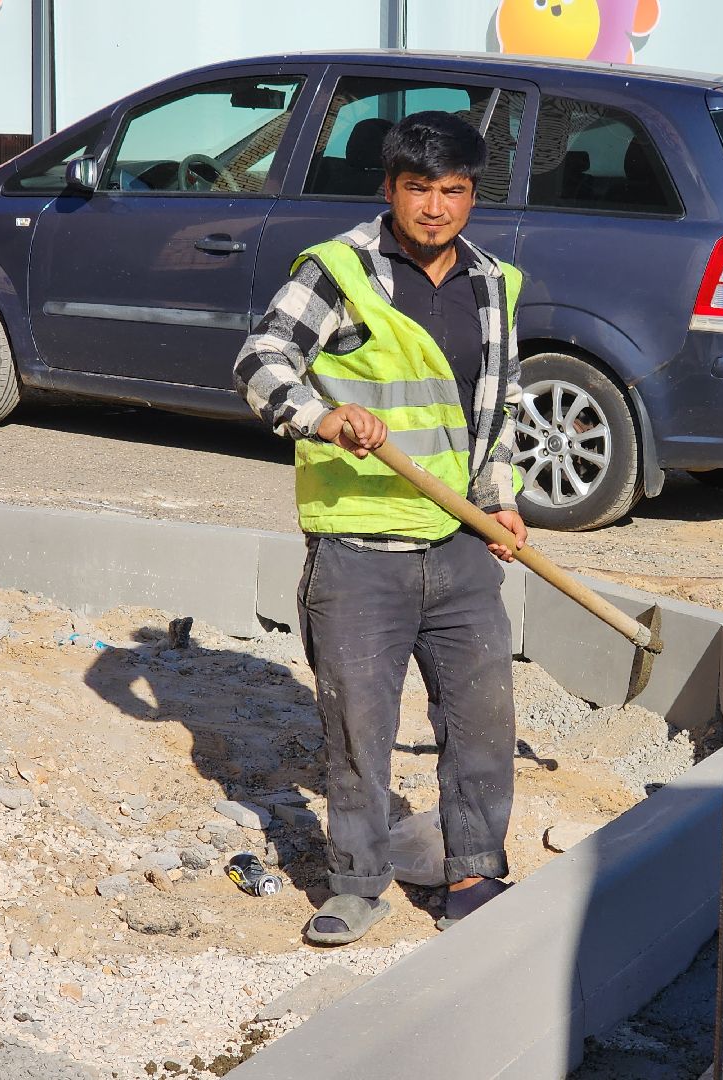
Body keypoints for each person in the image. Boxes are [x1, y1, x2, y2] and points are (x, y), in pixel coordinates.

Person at [233, 111, 527, 945]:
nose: (436, 207)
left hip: (460, 546)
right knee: (360, 730)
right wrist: (323, 418)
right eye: (419, 188)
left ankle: (474, 872)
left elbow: (496, 410)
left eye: (454, 190)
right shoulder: (338, 271)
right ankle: (357, 885)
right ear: (391, 188)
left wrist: (499, 499)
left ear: (473, 193)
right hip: (359, 551)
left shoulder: (494, 283)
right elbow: (259, 362)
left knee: (480, 721)